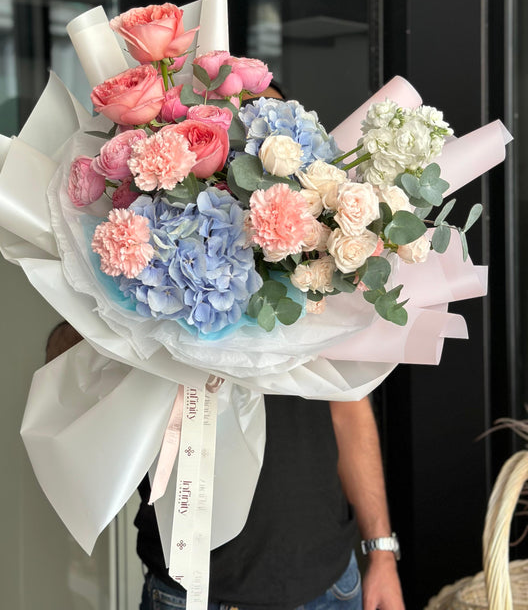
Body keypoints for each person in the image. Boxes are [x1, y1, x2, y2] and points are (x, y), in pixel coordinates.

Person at [45, 82, 405, 610]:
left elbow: (350, 411)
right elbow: (60, 356)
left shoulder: (314, 277)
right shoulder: (141, 269)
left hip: (334, 583)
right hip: (194, 595)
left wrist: (382, 554)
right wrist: (120, 316)